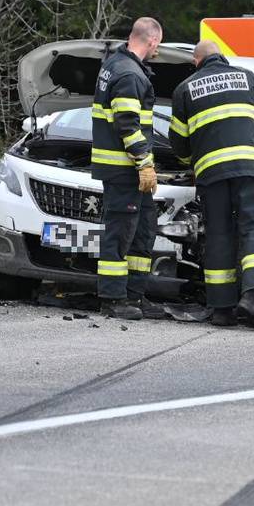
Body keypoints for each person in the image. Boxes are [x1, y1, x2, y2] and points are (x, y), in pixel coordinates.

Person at [170, 40, 254, 330]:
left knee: (218, 234)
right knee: (253, 228)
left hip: (211, 175)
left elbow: (179, 143)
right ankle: (253, 297)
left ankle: (222, 310)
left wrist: (195, 158)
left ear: (196, 61)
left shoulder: (185, 89)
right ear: (221, 56)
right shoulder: (247, 78)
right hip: (246, 169)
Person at [92, 17, 167, 320]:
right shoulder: (128, 74)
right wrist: (145, 163)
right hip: (125, 170)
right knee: (120, 233)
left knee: (143, 229)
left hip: (130, 171)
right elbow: (127, 124)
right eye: (157, 45)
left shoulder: (114, 64)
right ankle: (112, 298)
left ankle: (135, 295)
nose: (157, 51)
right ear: (151, 41)